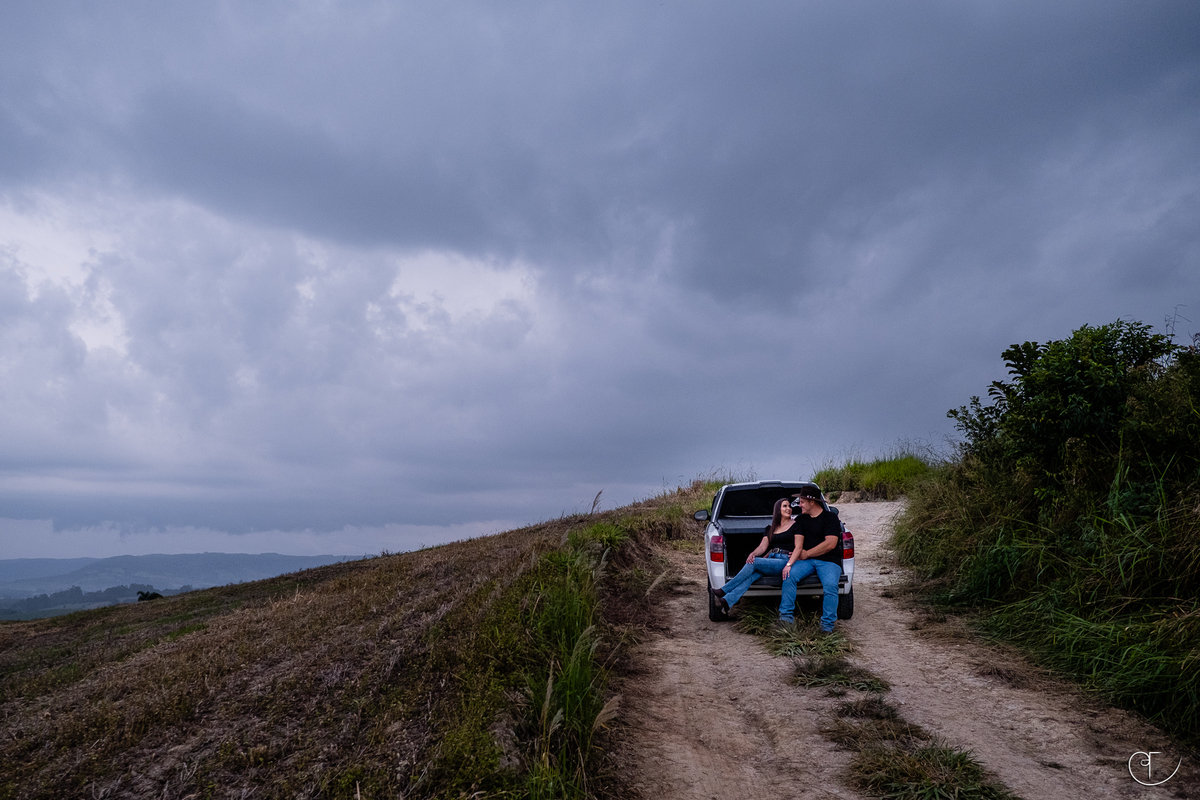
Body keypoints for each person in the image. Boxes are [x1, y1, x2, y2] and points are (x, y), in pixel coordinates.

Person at [709, 497, 802, 625]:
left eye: (789, 506)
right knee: (752, 575)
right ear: (777, 509)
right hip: (771, 559)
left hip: (785, 561)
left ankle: (724, 589)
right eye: (784, 506)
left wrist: (790, 563)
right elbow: (763, 547)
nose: (789, 509)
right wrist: (753, 554)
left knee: (755, 563)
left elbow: (798, 546)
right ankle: (727, 600)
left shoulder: (796, 525)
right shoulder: (770, 528)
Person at [780, 485, 842, 633]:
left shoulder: (830, 518)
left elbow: (831, 543)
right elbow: (793, 536)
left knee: (831, 586)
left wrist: (807, 553)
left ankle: (827, 627)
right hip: (806, 562)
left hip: (828, 561)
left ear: (812, 502)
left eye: (801, 502)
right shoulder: (801, 519)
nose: (799, 505)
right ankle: (786, 619)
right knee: (789, 576)